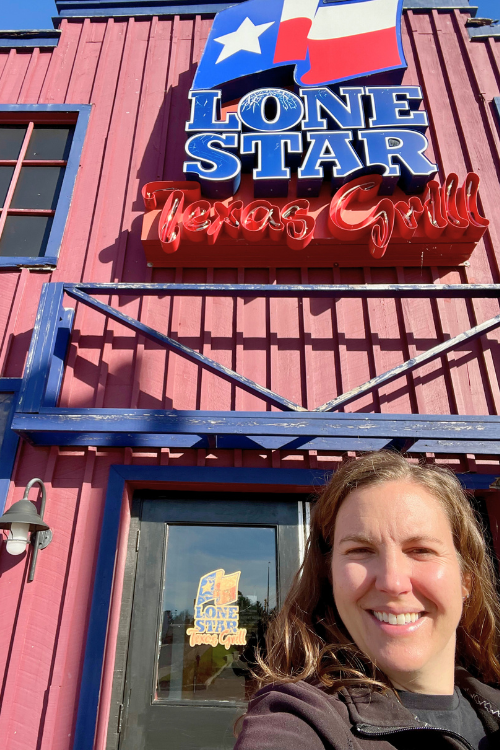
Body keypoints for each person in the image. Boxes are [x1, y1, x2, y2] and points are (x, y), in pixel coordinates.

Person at [234, 451, 500, 750]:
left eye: (421, 550)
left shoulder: (491, 706)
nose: (392, 582)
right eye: (360, 550)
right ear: (331, 577)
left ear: (466, 580)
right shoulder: (298, 718)